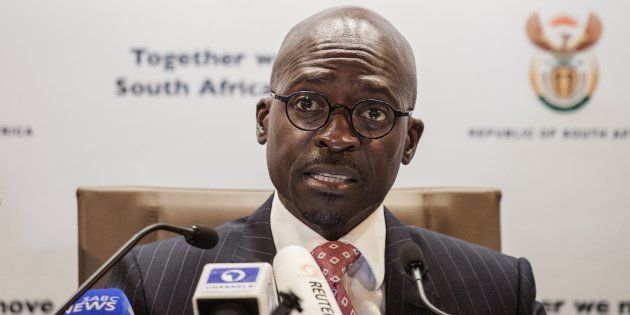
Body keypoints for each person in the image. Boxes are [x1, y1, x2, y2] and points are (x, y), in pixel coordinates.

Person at [109, 6, 545, 314]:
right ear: (264, 122)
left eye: (373, 113)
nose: (337, 138)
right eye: (307, 104)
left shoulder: (501, 292)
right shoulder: (154, 284)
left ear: (409, 141)